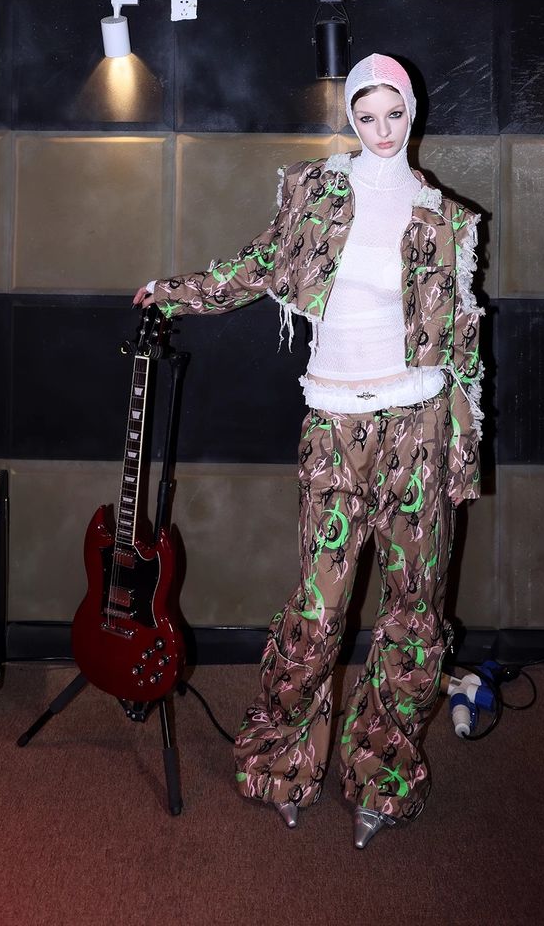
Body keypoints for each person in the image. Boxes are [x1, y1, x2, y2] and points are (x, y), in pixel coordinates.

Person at [134, 53, 484, 848]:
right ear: (352, 117)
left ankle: (384, 774)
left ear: (414, 112)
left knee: (414, 615)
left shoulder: (447, 218)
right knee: (319, 611)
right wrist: (176, 293)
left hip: (419, 427)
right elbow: (260, 265)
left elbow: (464, 346)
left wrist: (463, 453)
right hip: (332, 426)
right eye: (367, 115)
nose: (382, 130)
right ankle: (280, 762)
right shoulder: (315, 192)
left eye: (395, 113)